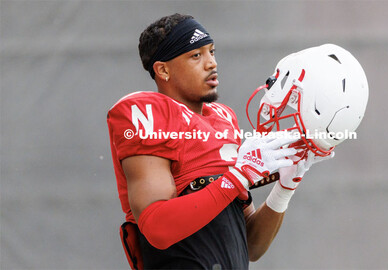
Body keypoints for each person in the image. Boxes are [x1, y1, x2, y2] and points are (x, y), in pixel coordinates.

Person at [107, 13, 326, 269]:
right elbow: (157, 227)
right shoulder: (147, 114)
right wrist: (238, 176)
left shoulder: (223, 119)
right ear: (163, 69)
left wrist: (285, 187)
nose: (211, 63)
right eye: (196, 55)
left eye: (211, 51)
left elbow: (251, 246)